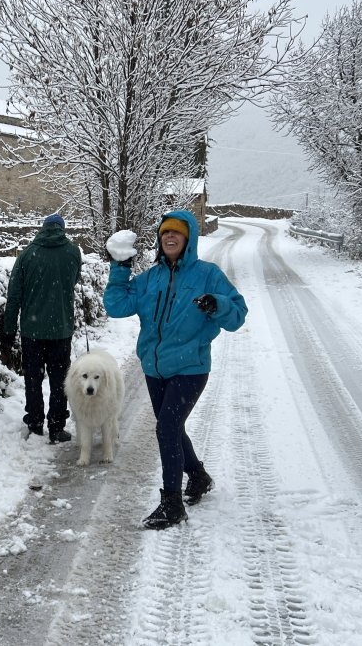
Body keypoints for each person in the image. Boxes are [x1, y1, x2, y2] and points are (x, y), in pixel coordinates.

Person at [103, 210, 247, 529]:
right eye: (166, 233)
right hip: (155, 369)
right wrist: (120, 266)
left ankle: (172, 504)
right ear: (160, 239)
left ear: (188, 240)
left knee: (166, 428)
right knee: (172, 427)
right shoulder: (150, 279)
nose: (170, 237)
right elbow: (116, 306)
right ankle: (197, 476)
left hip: (191, 368)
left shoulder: (207, 275)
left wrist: (217, 305)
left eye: (177, 234)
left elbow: (238, 315)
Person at [1, 213, 83, 444]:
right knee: (59, 379)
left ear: (43, 228)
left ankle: (35, 423)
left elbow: (14, 294)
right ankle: (57, 426)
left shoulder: (27, 254)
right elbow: (74, 280)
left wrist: (8, 329)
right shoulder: (73, 252)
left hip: (32, 330)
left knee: (33, 379)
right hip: (61, 329)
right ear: (62, 229)